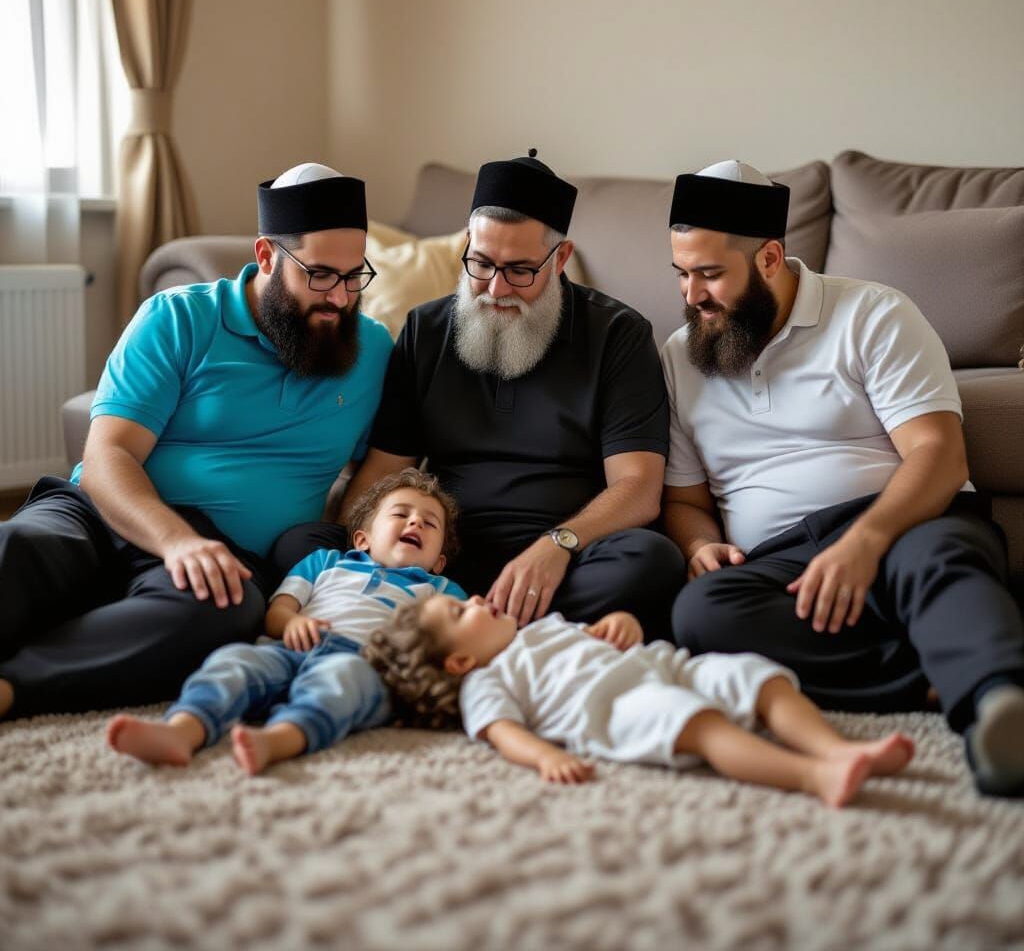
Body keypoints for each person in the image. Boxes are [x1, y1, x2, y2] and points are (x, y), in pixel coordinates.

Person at [660, 159, 1024, 797]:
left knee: (939, 560)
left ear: (769, 258)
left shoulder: (874, 313)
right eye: (682, 274)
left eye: (710, 274)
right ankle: (946, 669)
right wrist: (697, 543)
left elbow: (940, 455)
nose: (692, 295)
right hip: (781, 561)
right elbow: (685, 499)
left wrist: (866, 542)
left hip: (908, 519)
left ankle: (999, 708)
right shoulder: (679, 355)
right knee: (701, 615)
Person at [0, 163, 393, 720]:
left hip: (225, 560)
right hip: (102, 515)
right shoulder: (178, 317)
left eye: (355, 277)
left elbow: (379, 469)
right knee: (15, 549)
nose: (341, 298)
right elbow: (107, 451)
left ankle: (15, 687)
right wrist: (174, 539)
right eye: (321, 275)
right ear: (266, 256)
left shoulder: (371, 351)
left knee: (219, 618)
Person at [341, 150, 686, 638]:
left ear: (560, 259)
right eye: (481, 264)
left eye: (521, 270)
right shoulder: (426, 329)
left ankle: (459, 625)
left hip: (570, 553)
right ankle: (534, 633)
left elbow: (638, 489)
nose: (496, 288)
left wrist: (556, 546)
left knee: (650, 561)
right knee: (305, 546)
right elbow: (383, 469)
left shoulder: (619, 334)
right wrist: (341, 554)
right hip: (446, 552)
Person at [363, 593, 916, 807]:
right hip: (617, 709)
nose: (477, 599)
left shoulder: (539, 628)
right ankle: (810, 777)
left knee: (757, 677)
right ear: (458, 663)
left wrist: (622, 621)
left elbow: (605, 633)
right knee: (701, 725)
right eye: (462, 614)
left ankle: (834, 749)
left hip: (662, 665)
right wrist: (542, 756)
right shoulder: (488, 681)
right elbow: (499, 731)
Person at [107, 469, 465, 774]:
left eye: (429, 522)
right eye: (400, 514)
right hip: (290, 648)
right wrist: (290, 623)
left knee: (342, 682)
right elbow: (278, 610)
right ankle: (184, 729)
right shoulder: (325, 562)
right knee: (234, 660)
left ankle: (279, 740)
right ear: (362, 539)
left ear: (439, 562)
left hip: (363, 662)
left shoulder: (440, 589)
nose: (415, 521)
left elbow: (464, 634)